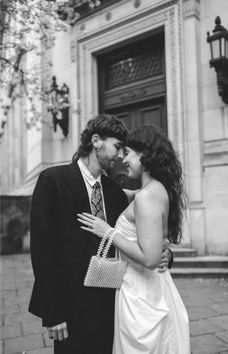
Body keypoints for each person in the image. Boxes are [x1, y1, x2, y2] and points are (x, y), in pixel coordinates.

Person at [29, 115, 173, 354]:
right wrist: (53, 312)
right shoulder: (52, 181)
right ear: (96, 141)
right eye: (117, 147)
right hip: (70, 308)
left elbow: (143, 232)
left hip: (112, 306)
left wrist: (166, 253)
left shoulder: (115, 193)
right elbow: (43, 251)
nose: (120, 155)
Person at [78, 125, 190, 354]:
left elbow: (149, 258)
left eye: (127, 152)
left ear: (145, 155)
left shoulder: (147, 197)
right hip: (152, 287)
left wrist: (108, 232)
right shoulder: (155, 190)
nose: (123, 159)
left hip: (140, 293)